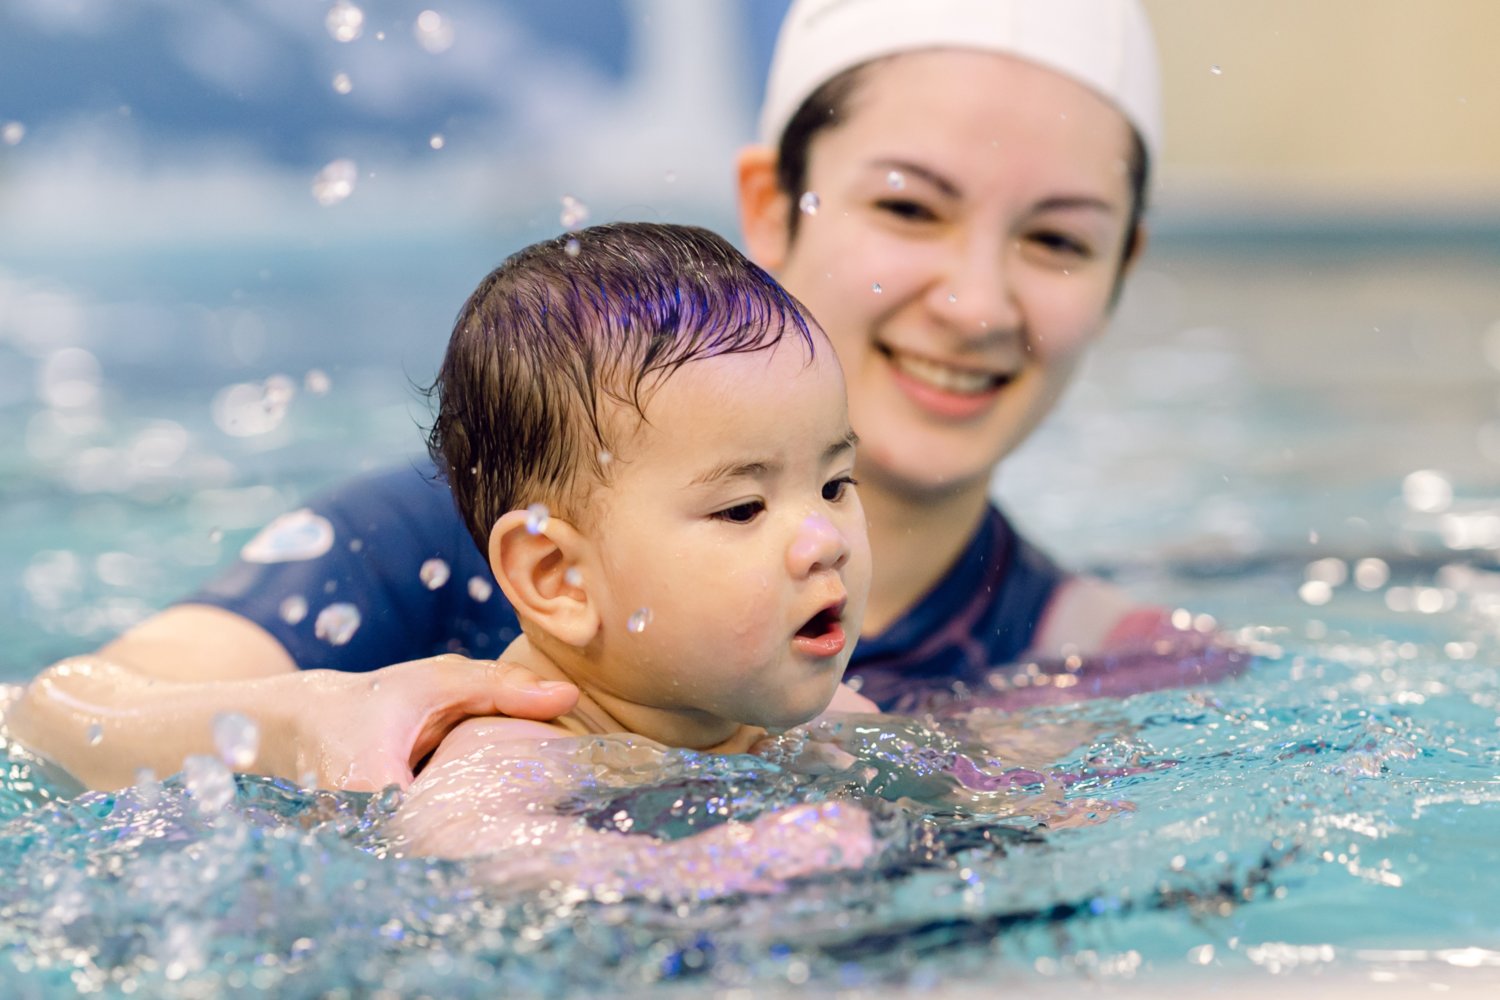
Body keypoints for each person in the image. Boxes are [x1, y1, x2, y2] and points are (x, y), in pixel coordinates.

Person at [9, 0, 1239, 792]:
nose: (975, 302)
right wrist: (314, 722)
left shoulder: (1109, 670)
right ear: (770, 206)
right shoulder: (436, 542)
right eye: (910, 208)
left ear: (1122, 270)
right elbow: (55, 714)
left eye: (1059, 242)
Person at [383, 220, 875, 884]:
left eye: (834, 485)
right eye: (742, 508)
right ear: (558, 578)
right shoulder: (514, 754)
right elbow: (462, 845)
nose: (827, 542)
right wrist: (710, 867)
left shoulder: (839, 723)